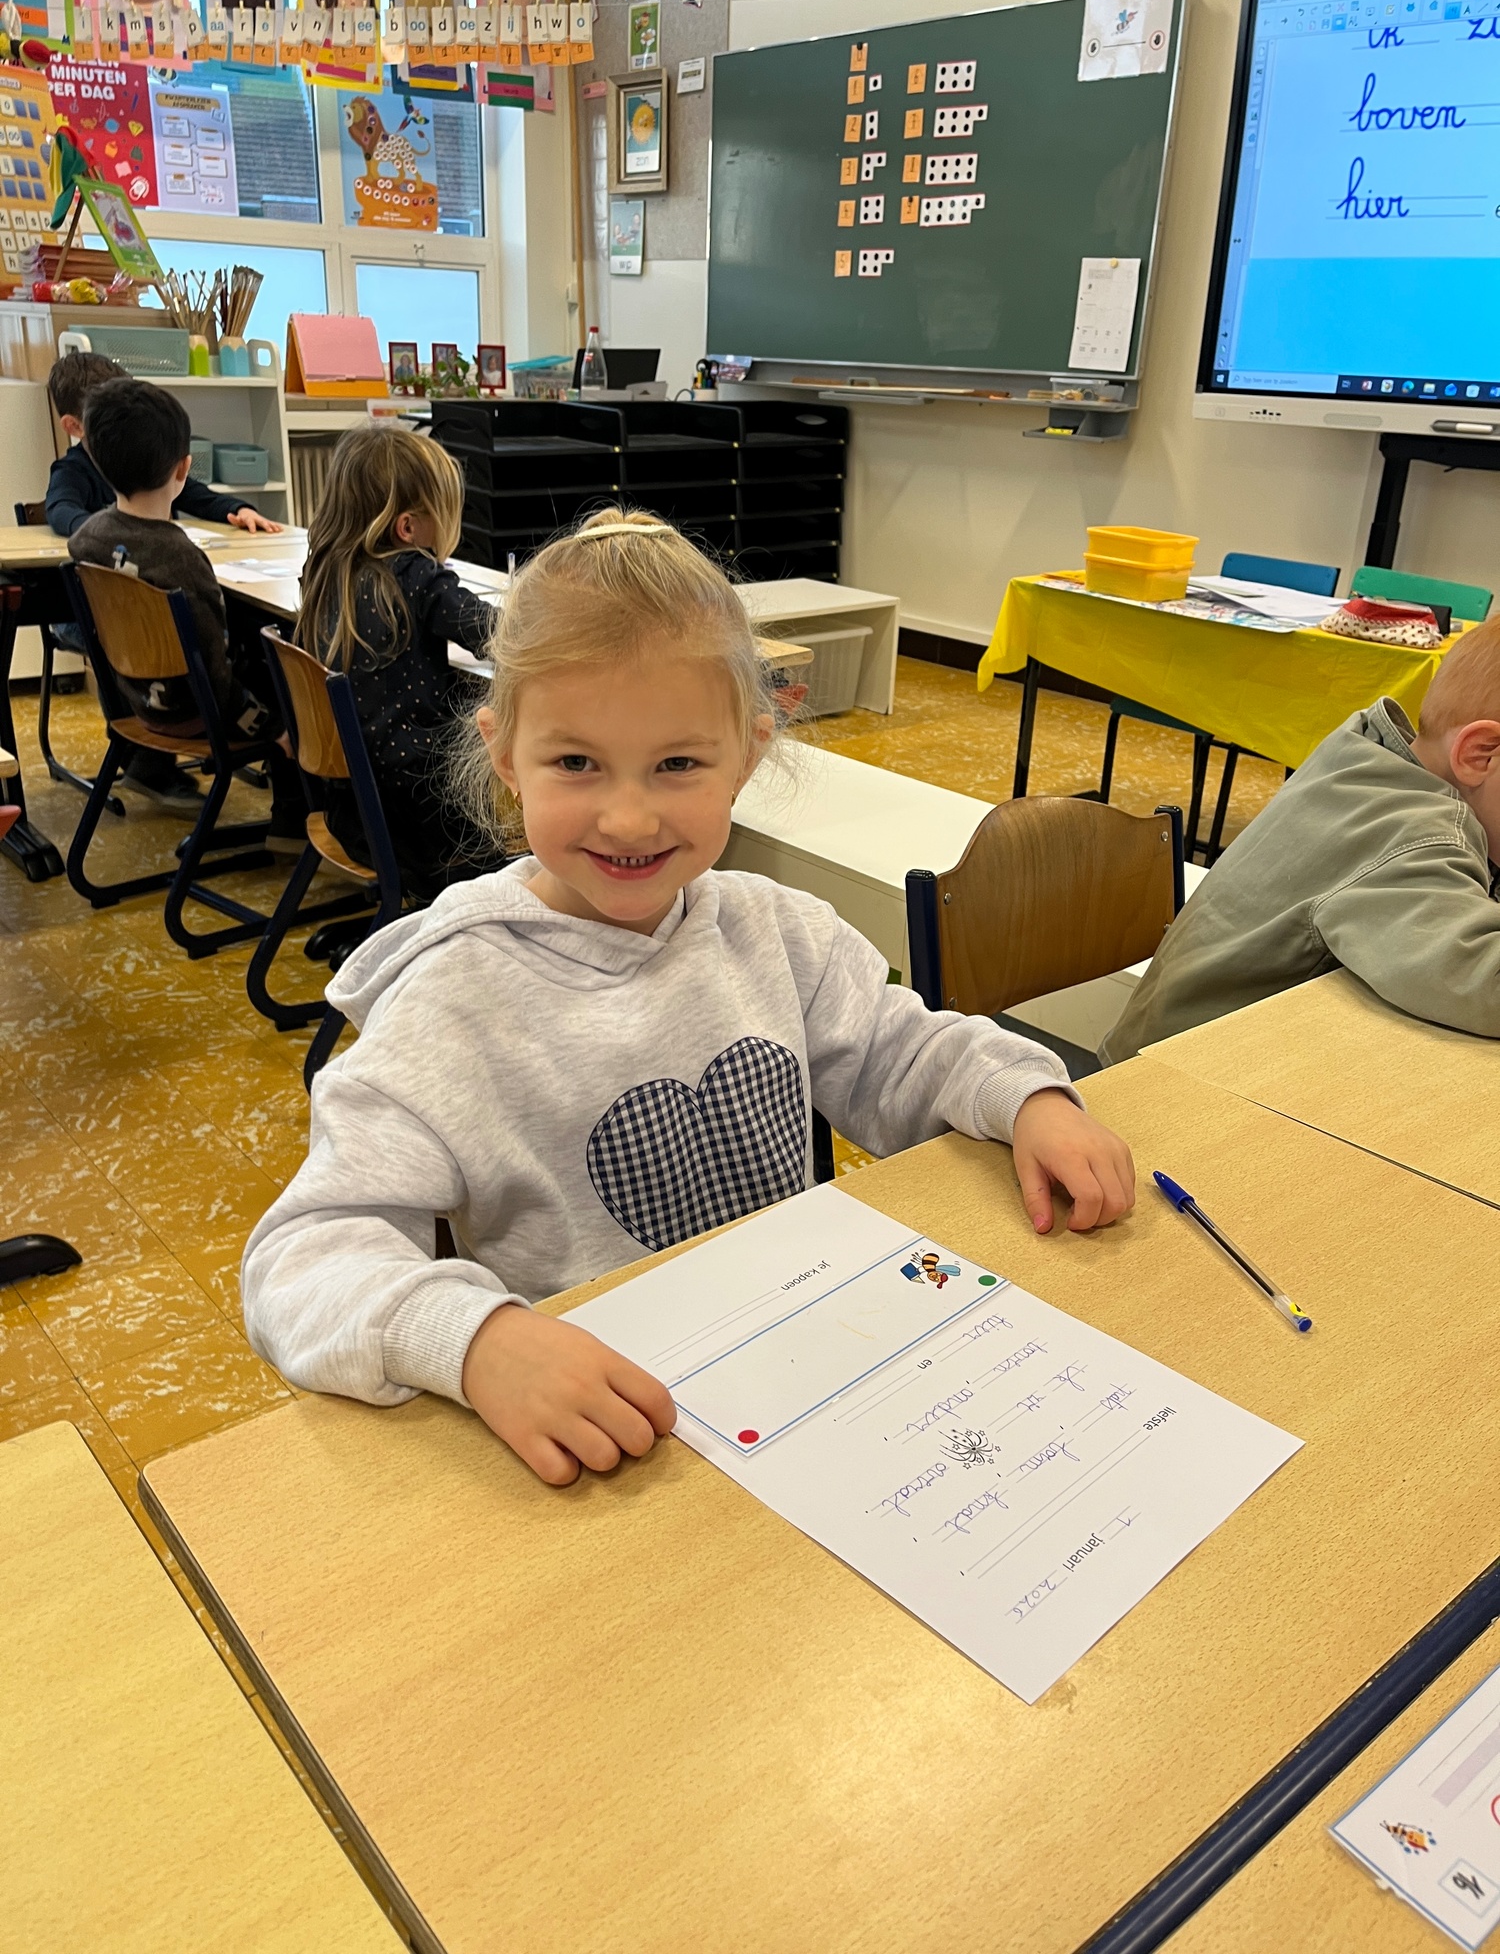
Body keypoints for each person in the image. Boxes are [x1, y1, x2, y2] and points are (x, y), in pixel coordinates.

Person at [243, 508, 1136, 1487]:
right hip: (611, 1443)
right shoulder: (452, 999)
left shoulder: (777, 932)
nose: (629, 817)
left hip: (801, 1379)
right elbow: (302, 1258)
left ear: (746, 755)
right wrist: (479, 1341)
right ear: (504, 753)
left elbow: (904, 1054)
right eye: (576, 763)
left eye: (677, 764)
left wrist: (1026, 1096)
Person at [1101, 621, 1500, 1062]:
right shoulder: (1420, 834)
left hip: (1167, 1043)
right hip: (1172, 1076)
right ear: (1479, 754)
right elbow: (1477, 981)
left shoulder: (1368, 756)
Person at [66, 378, 303, 849]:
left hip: (136, 703)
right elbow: (216, 681)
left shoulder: (85, 540)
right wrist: (274, 729)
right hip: (195, 713)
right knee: (287, 670)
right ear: (184, 467)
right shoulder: (182, 561)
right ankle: (293, 824)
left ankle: (149, 767)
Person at [294, 426, 509, 898]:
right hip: (421, 824)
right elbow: (498, 635)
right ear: (407, 528)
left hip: (352, 811)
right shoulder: (412, 574)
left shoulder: (324, 572)